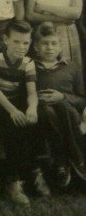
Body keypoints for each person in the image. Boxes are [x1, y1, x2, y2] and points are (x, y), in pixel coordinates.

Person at [0, 20, 49, 206]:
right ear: (5, 39)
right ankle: (12, 181)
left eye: (26, 43)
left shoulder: (28, 62)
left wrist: (32, 109)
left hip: (14, 100)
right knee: (14, 124)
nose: (22, 47)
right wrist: (13, 112)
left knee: (38, 117)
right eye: (16, 42)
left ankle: (35, 171)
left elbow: (31, 93)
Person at [33, 22, 86, 187]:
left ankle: (63, 163)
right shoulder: (30, 67)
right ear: (36, 46)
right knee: (48, 111)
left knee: (62, 105)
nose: (49, 48)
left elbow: (82, 99)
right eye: (45, 43)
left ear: (61, 46)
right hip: (43, 114)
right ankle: (75, 158)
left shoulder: (71, 67)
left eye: (54, 43)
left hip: (69, 114)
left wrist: (62, 96)